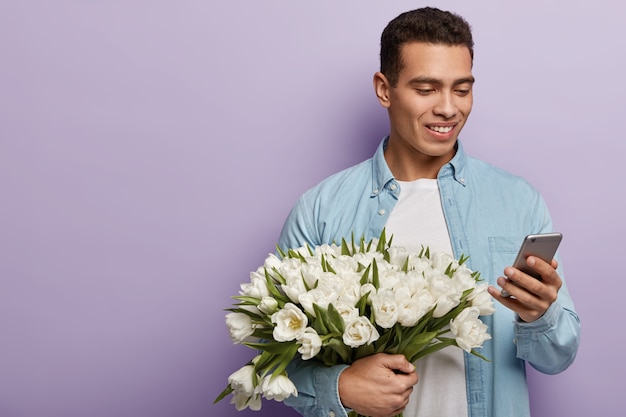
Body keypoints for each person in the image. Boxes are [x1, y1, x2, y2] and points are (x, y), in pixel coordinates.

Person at [276, 7, 580, 417]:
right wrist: (341, 386)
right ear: (384, 89)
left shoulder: (518, 201)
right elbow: (278, 366)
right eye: (426, 89)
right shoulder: (320, 211)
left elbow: (557, 356)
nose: (448, 109)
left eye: (461, 89)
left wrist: (541, 316)